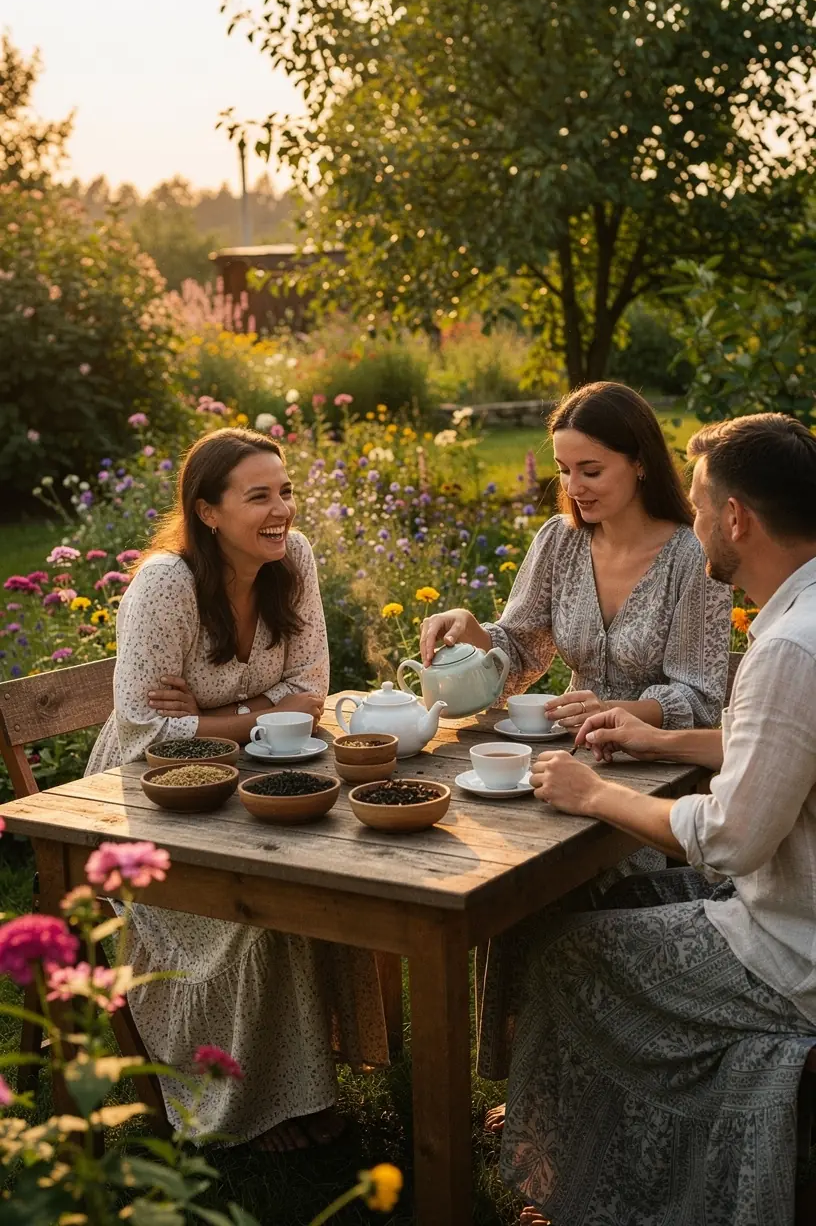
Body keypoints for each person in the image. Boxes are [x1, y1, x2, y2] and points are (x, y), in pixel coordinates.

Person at [502, 412, 816, 1226]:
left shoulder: (789, 647)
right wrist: (662, 736)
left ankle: (598, 1192)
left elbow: (734, 838)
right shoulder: (802, 619)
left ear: (738, 519)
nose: (698, 518)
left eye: (707, 503)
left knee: (562, 954)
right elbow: (782, 743)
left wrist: (594, 794)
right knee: (596, 904)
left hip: (793, 953)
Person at [420, 382, 733, 1084]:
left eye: (590, 471)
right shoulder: (559, 542)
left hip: (657, 769)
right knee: (511, 878)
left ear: (640, 463)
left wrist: (628, 713)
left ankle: (592, 1078)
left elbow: (701, 694)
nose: (574, 487)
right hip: (564, 754)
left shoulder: (692, 555)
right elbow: (520, 649)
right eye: (564, 471)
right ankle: (533, 1078)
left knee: (580, 894)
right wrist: (473, 631)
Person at [87, 428, 388, 1151]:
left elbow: (311, 690)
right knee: (254, 909)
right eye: (259, 496)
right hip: (148, 803)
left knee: (327, 876)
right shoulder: (167, 584)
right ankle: (244, 1113)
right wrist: (258, 713)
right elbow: (148, 733)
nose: (281, 509)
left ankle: (304, 1092)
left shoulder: (296, 560)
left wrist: (211, 717)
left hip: (250, 785)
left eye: (285, 491)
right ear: (209, 512)